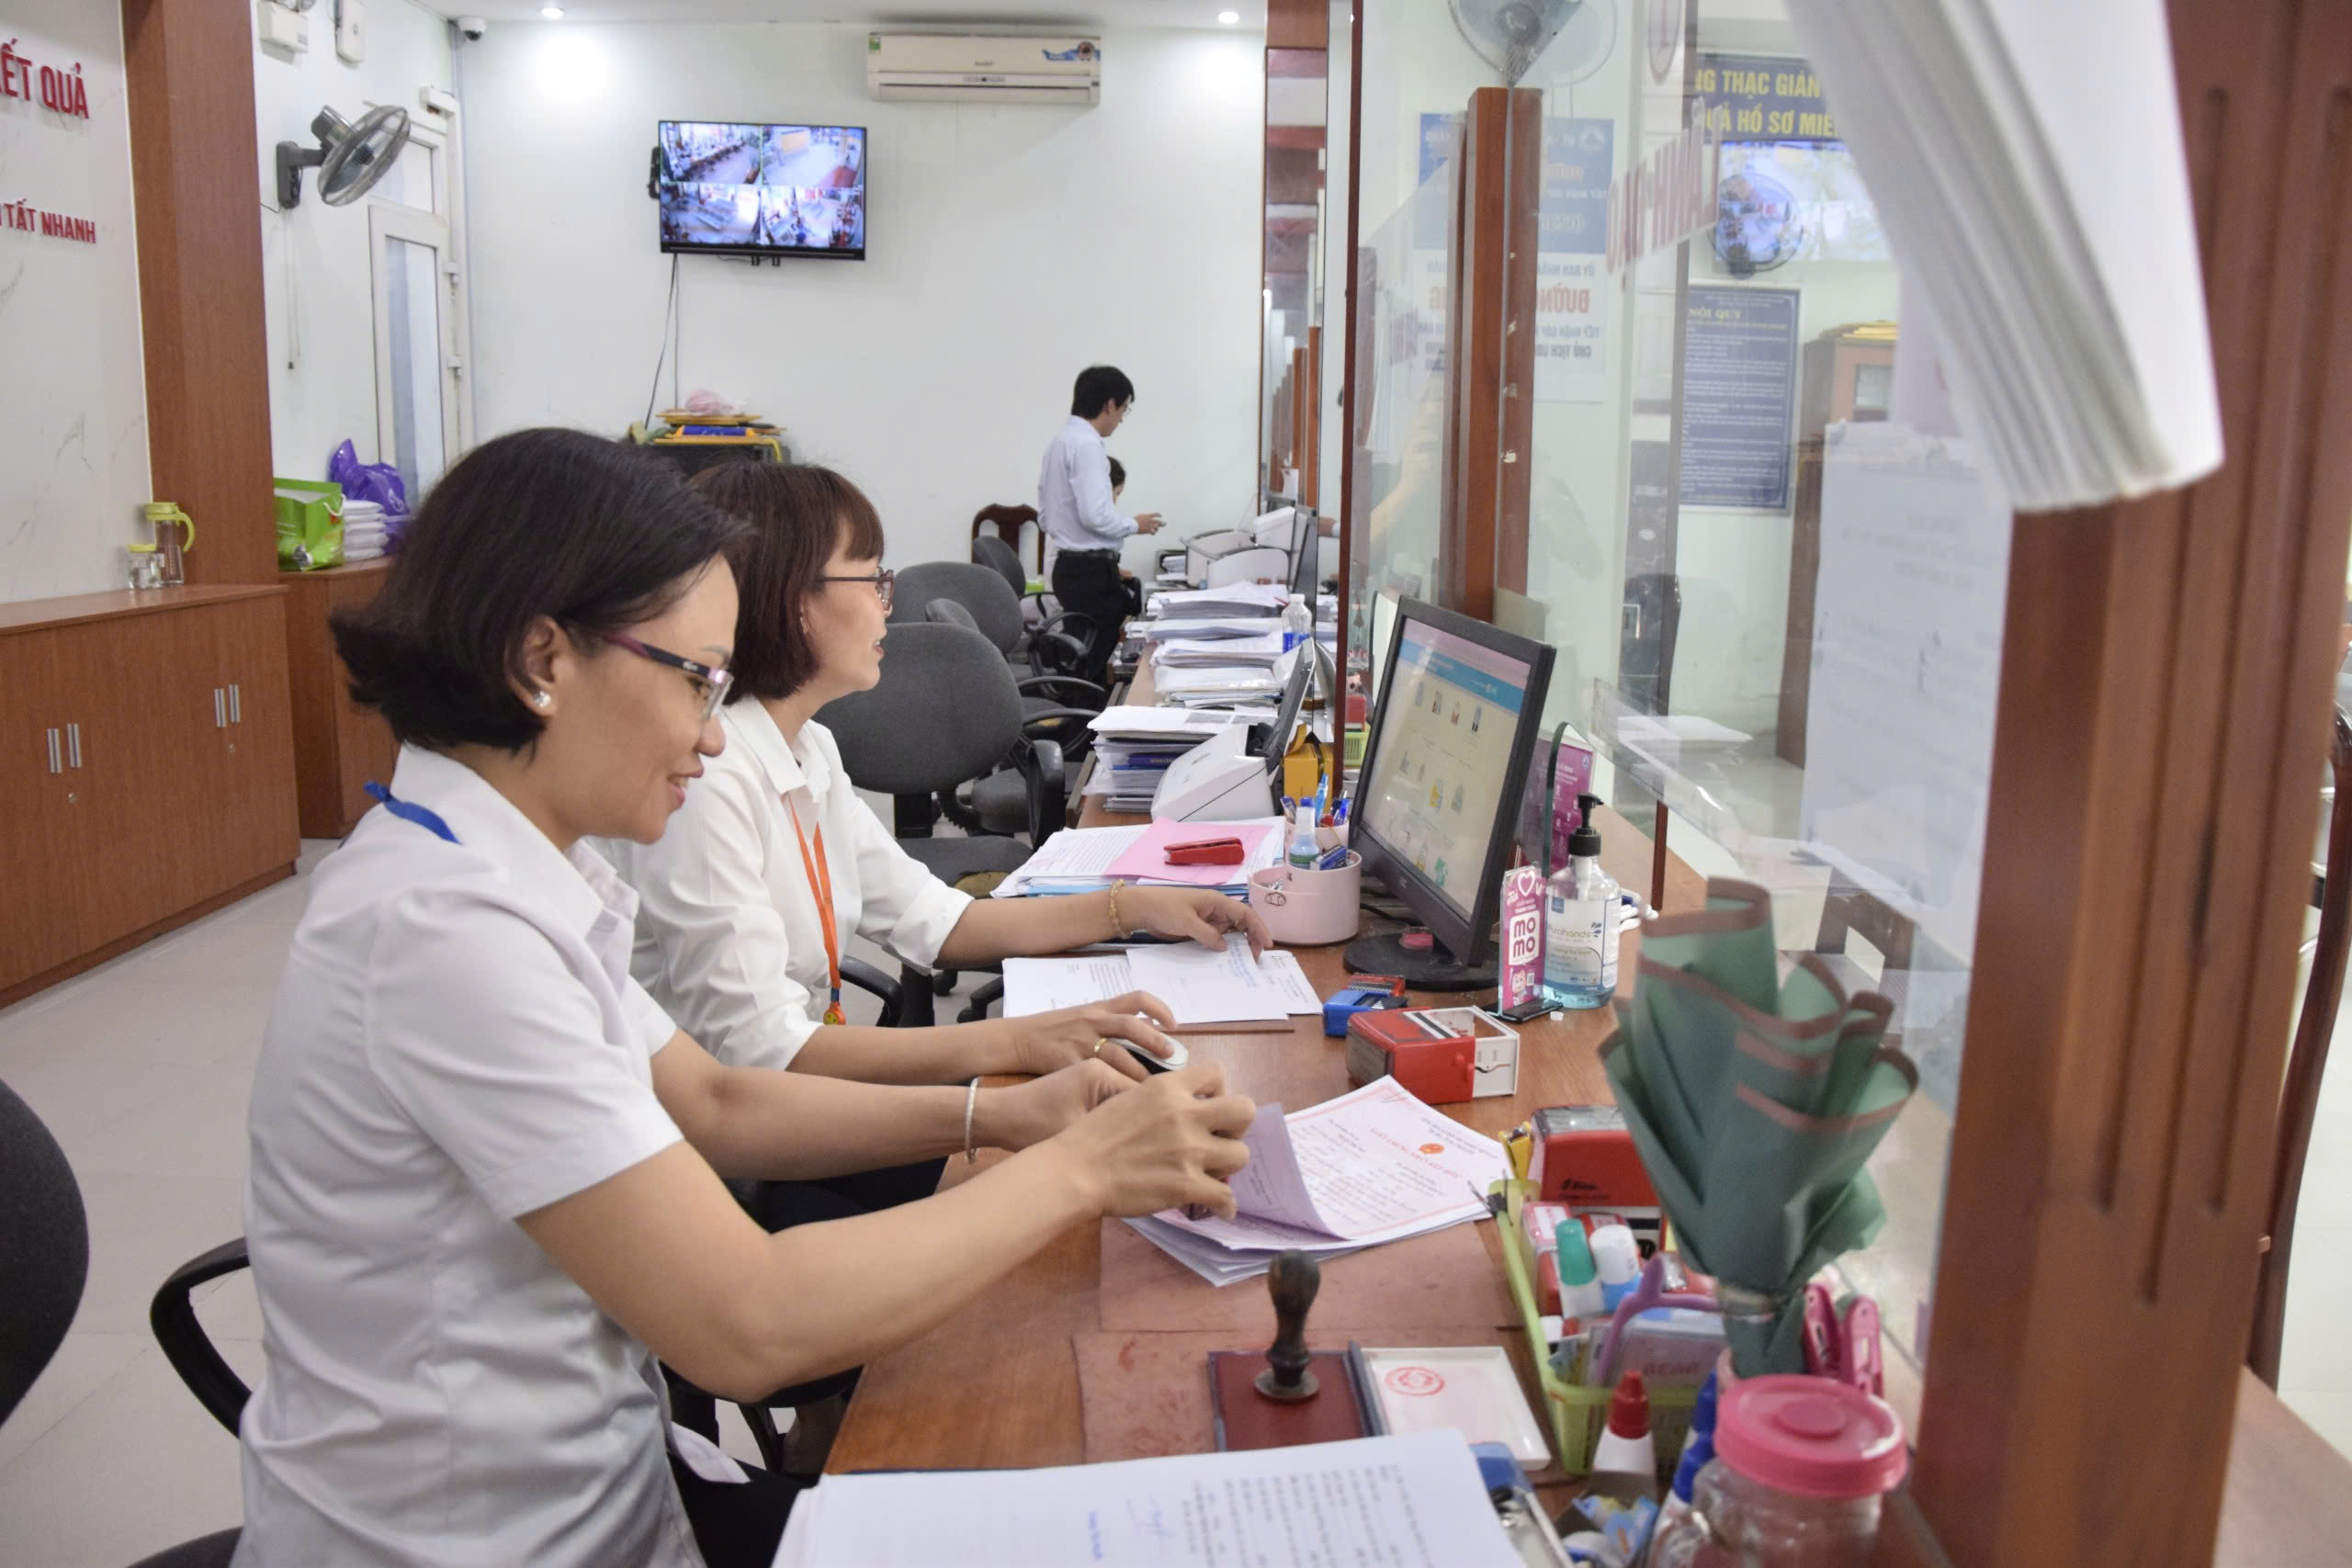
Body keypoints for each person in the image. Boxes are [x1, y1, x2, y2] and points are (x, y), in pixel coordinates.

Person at [234, 429, 1254, 1568]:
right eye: (695, 679)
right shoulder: (443, 931)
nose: (713, 732)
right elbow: (745, 1323)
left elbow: (717, 1097)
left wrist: (1009, 1116)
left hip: (615, 1484)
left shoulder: (510, 864)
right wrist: (1081, 1169)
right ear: (543, 659)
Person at [607, 460, 1266, 1099]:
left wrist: (1132, 907)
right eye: (871, 581)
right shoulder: (708, 777)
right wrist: (1018, 1044)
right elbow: (764, 1053)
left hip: (807, 1098)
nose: (886, 607)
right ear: (795, 604)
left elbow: (940, 922)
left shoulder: (810, 748)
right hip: (736, 1159)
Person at [1040, 365, 1159, 686]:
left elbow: (1045, 516)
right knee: (1097, 668)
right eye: (1124, 409)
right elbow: (1095, 515)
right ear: (1110, 404)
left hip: (1070, 570)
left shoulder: (1060, 442)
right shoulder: (1088, 445)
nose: (1121, 418)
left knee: (1080, 660)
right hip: (1089, 575)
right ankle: (1088, 729)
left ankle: (1074, 727)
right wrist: (1134, 525)